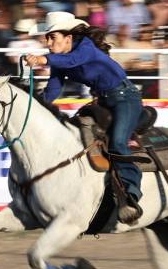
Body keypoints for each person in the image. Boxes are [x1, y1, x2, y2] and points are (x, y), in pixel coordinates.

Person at [24, 12, 144, 223]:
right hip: (103, 101)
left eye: (53, 37)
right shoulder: (60, 61)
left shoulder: (85, 46)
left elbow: (73, 59)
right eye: (47, 39)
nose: (49, 43)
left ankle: (131, 195)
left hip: (125, 98)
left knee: (117, 142)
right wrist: (34, 104)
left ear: (68, 38)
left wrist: (43, 59)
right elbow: (53, 90)